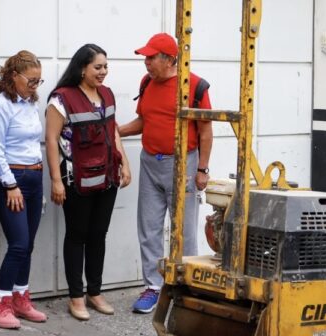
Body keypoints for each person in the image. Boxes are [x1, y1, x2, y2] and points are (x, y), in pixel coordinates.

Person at [118, 33, 214, 314]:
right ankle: (153, 286)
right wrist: (115, 130)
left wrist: (202, 169)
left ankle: (185, 288)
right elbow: (144, 121)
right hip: (150, 161)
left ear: (170, 59)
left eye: (151, 57)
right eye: (145, 57)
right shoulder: (147, 82)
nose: (146, 63)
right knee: (148, 227)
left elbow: (206, 131)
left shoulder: (194, 86)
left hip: (182, 163)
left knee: (183, 230)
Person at [45, 44, 131, 321]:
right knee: (77, 236)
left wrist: (124, 163)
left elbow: (113, 131)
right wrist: (56, 181)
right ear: (82, 68)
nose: (103, 72)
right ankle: (76, 297)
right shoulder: (61, 99)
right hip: (76, 181)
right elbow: (51, 140)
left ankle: (95, 292)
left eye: (105, 67)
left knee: (98, 235)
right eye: (98, 67)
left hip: (107, 178)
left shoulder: (106, 94)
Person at [0, 50, 48, 329]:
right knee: (19, 244)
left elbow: (35, 144)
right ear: (14, 76)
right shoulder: (0, 106)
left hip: (35, 176)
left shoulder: (30, 104)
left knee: (29, 244)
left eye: (38, 81)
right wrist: (9, 184)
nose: (35, 86)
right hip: (13, 180)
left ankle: (22, 298)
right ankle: (1, 304)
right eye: (31, 81)